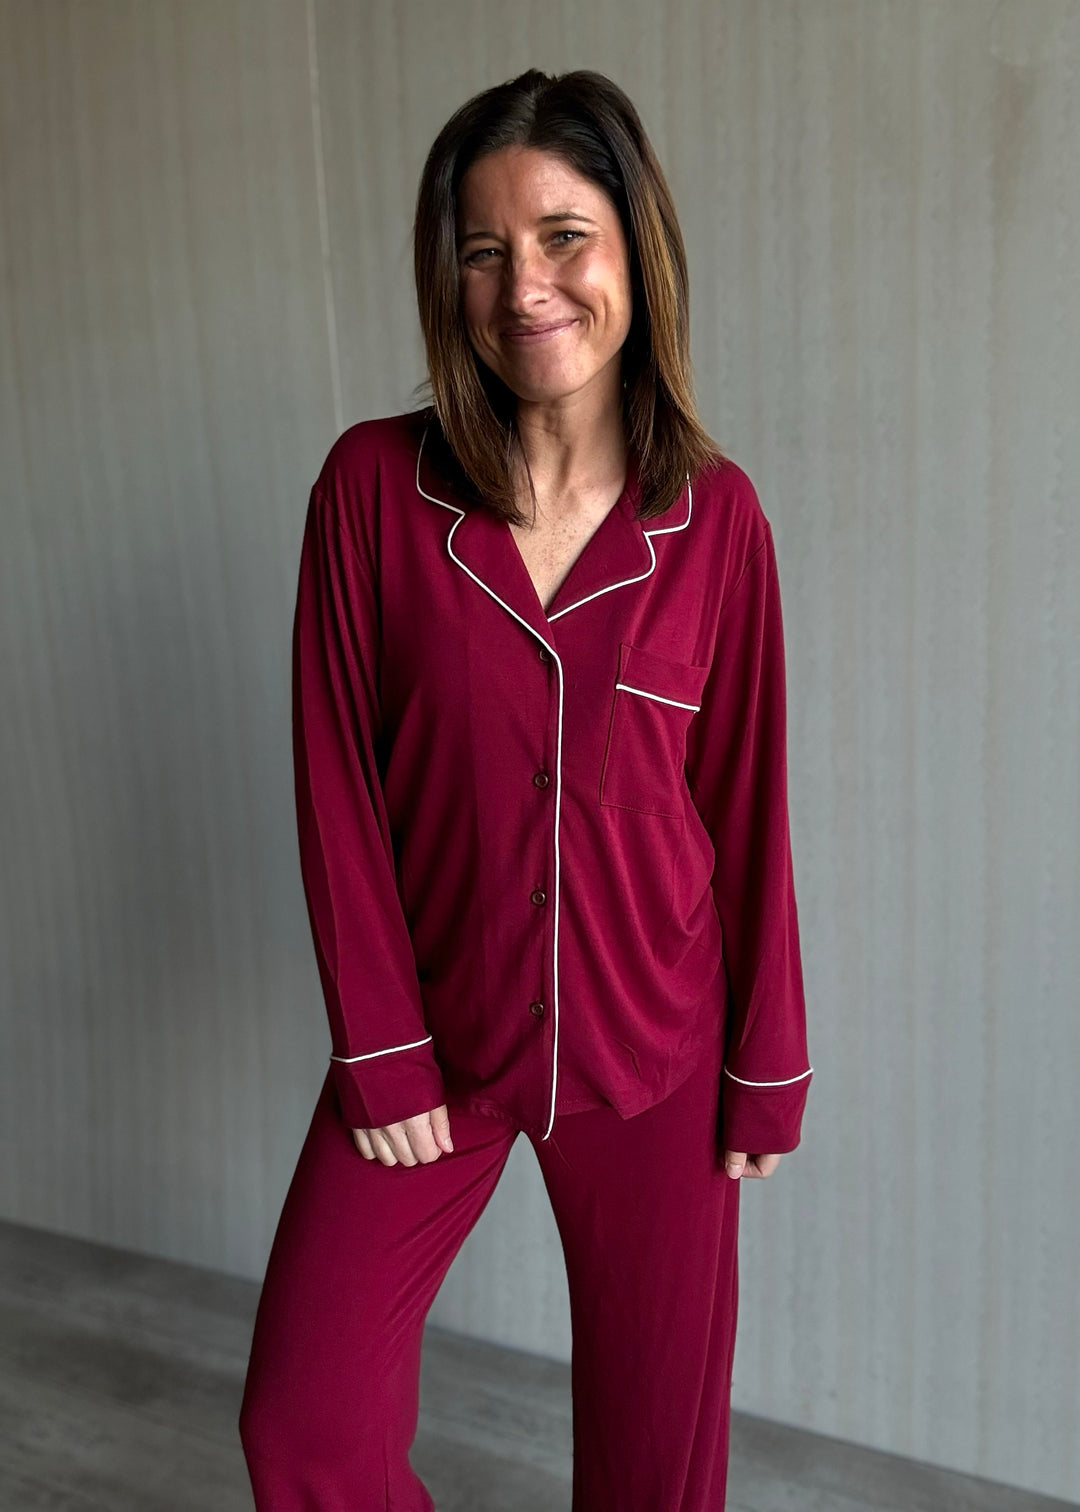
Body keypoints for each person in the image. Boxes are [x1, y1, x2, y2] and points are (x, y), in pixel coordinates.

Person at [238, 66, 813, 1512]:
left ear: (634, 251)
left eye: (563, 236)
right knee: (306, 1432)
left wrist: (767, 1065)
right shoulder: (371, 493)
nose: (524, 285)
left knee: (657, 1475)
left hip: (658, 1061)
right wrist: (379, 1048)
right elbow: (336, 783)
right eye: (484, 249)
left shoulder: (717, 520)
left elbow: (746, 814)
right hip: (430, 1043)